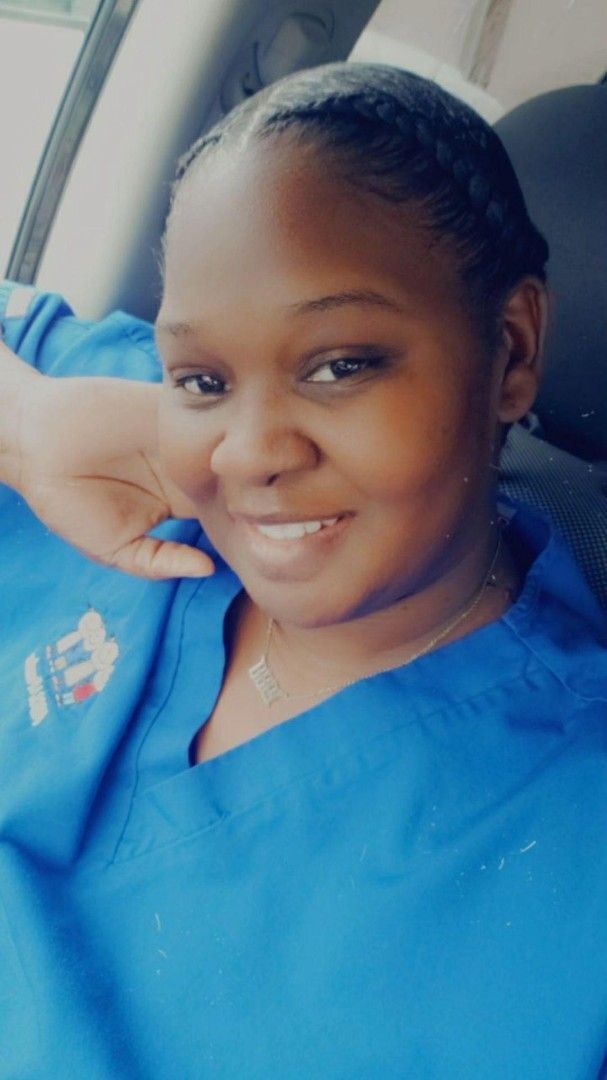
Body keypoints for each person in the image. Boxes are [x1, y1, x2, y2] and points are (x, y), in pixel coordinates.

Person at [0, 62, 606, 1079]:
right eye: (201, 377)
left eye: (338, 366)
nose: (249, 451)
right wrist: (29, 424)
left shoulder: (569, 844)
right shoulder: (114, 437)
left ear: (508, 350)